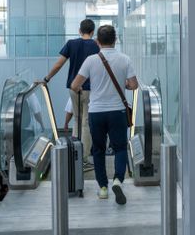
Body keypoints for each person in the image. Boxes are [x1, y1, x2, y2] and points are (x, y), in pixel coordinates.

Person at [71, 25, 138, 205]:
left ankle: (102, 188)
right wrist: (123, 85)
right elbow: (134, 85)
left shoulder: (91, 60)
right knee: (120, 148)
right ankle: (117, 180)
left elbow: (75, 85)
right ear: (115, 40)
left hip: (96, 112)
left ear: (97, 42)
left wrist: (85, 88)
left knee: (98, 150)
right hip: (117, 111)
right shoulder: (125, 59)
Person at [44, 19, 99, 166]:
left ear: (80, 31)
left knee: (77, 119)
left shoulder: (71, 44)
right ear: (92, 32)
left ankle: (74, 153)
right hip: (89, 89)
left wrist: (47, 78)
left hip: (73, 88)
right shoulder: (96, 45)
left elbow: (59, 64)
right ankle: (84, 157)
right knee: (86, 121)